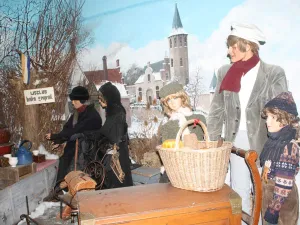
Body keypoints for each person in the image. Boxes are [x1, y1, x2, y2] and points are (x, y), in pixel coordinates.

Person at [207, 22, 288, 217]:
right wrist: (212, 140)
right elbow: (216, 110)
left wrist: (281, 145)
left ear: (248, 45)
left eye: (233, 46)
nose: (228, 51)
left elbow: (283, 111)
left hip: (266, 141)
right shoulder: (224, 73)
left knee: (265, 193)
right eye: (229, 47)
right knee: (239, 191)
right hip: (235, 142)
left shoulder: (273, 73)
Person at [71, 82, 133, 188]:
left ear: (109, 98)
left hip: (116, 157)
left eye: (101, 98)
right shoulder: (114, 111)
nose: (99, 101)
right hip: (116, 154)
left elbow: (109, 135)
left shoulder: (116, 113)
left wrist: (86, 135)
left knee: (117, 186)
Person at [45, 86, 102, 189]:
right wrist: (59, 140)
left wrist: (55, 136)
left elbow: (75, 130)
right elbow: (68, 128)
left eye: (75, 100)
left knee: (77, 173)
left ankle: (66, 190)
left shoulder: (92, 115)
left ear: (82, 100)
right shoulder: (76, 113)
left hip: (86, 152)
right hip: (74, 147)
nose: (73, 102)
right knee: (64, 162)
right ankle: (60, 190)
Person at [260, 92, 299, 225]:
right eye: (267, 116)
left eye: (273, 117)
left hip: (281, 208)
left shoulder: (288, 146)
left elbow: (284, 185)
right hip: (270, 200)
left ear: (285, 118)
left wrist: (273, 211)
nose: (267, 121)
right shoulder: (273, 141)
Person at [158, 82, 206, 182]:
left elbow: (199, 143)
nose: (172, 102)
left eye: (175, 97)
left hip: (191, 168)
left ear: (182, 97)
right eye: (168, 100)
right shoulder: (166, 123)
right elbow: (164, 146)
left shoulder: (196, 119)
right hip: (171, 169)